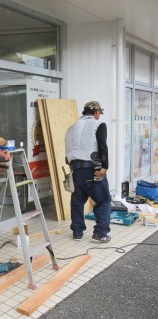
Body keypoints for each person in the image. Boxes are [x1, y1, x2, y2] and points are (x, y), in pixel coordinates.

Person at [65, 101, 112, 243]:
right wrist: (104, 166)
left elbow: (67, 151)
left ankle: (77, 232)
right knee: (103, 200)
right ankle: (100, 233)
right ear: (96, 112)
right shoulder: (98, 124)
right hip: (92, 169)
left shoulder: (71, 128)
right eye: (99, 113)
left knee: (77, 201)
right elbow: (102, 145)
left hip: (75, 170)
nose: (99, 116)